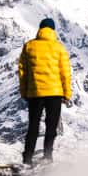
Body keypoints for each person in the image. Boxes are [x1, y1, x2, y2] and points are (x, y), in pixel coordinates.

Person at [18, 18, 72, 165]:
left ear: (40, 29)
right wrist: (67, 93)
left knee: (33, 126)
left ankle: (27, 158)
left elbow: (22, 72)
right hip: (55, 93)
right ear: (53, 30)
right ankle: (48, 156)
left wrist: (24, 92)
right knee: (51, 125)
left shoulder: (29, 46)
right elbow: (65, 73)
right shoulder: (59, 48)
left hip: (35, 93)